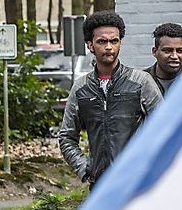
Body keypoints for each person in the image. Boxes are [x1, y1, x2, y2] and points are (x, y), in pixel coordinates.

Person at [59, 12, 162, 187]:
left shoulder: (140, 82)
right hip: (100, 185)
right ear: (90, 45)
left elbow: (164, 126)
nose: (109, 47)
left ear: (120, 42)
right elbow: (67, 136)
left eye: (114, 41)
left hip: (137, 183)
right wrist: (84, 169)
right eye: (102, 41)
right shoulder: (81, 88)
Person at [144, 22, 182, 96]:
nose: (174, 56)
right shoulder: (141, 82)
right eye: (167, 51)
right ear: (154, 52)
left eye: (180, 51)